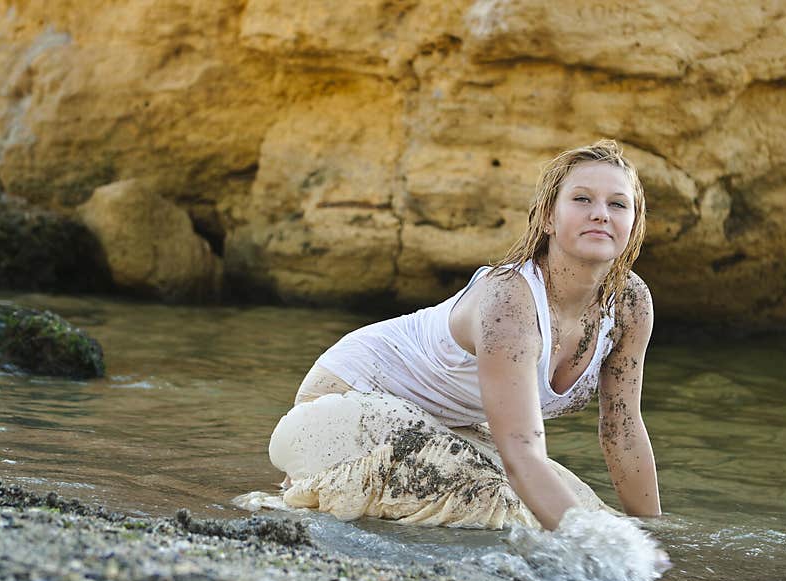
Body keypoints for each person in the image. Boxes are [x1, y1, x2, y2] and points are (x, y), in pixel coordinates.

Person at [268, 139, 661, 532]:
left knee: (595, 516)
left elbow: (621, 431)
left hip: (448, 426)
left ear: (634, 222)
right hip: (349, 399)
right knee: (498, 504)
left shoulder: (629, 304)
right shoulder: (510, 298)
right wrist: (602, 552)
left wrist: (656, 540)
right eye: (581, 199)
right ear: (548, 217)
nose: (600, 215)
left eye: (617, 204)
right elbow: (522, 453)